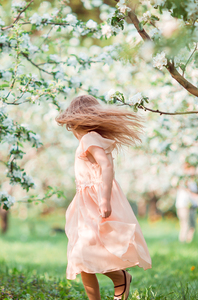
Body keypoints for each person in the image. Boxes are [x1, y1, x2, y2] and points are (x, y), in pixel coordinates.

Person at [56, 95, 152, 300]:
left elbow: (106, 167)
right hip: (86, 203)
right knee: (82, 259)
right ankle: (115, 284)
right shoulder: (91, 138)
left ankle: (120, 278)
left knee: (85, 253)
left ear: (75, 122)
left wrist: (104, 199)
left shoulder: (89, 138)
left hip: (94, 202)